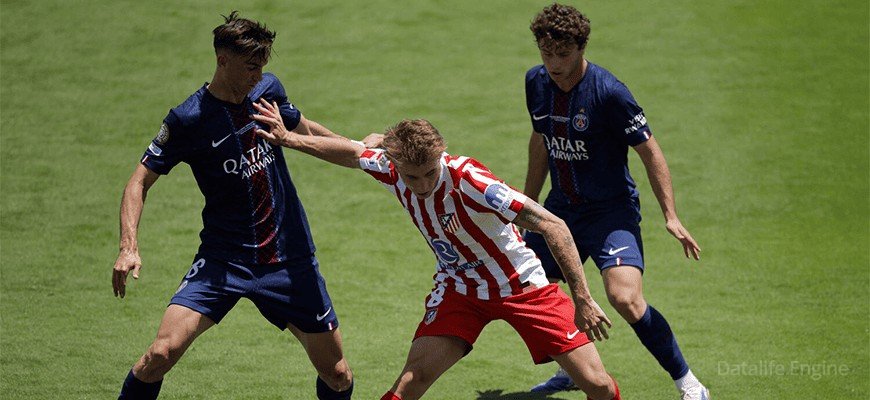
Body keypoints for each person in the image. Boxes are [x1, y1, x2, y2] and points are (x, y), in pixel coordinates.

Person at [251, 104, 622, 399]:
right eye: (412, 177)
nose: (423, 184)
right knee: (409, 383)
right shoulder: (391, 168)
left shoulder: (471, 181)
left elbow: (554, 225)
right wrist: (289, 140)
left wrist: (583, 298)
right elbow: (352, 152)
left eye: (429, 173)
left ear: (441, 155)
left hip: (521, 286)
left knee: (599, 386)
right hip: (461, 291)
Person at [111, 12, 354, 400]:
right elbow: (139, 181)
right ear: (222, 60)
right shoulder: (189, 119)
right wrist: (129, 246)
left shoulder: (267, 90)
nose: (258, 75)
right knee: (160, 354)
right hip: (224, 259)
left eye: (262, 66)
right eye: (251, 67)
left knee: (338, 375)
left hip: (288, 258)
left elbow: (306, 130)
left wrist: (359, 149)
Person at [521, 3, 709, 399]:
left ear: (581, 47)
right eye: (546, 53)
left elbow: (650, 152)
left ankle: (688, 382)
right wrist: (528, 203)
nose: (554, 64)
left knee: (625, 298)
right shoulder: (536, 82)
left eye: (563, 54)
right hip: (561, 210)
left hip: (610, 212)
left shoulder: (609, 93)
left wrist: (671, 215)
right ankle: (571, 370)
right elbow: (540, 141)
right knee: (533, 286)